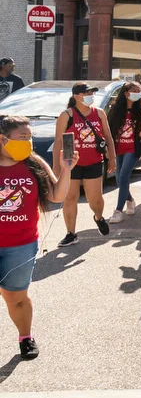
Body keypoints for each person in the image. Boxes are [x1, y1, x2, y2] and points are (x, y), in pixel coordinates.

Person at [0, 115, 75, 360]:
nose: (29, 143)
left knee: (17, 298)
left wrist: (66, 170)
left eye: (30, 137)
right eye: (23, 138)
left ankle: (25, 337)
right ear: (3, 139)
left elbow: (56, 196)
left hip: (21, 246)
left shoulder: (34, 164)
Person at [53, 83, 114, 246]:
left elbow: (108, 136)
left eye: (91, 93)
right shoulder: (67, 115)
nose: (90, 96)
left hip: (93, 161)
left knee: (95, 200)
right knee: (70, 198)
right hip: (71, 162)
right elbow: (59, 141)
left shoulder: (99, 113)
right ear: (76, 96)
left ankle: (98, 217)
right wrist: (56, 166)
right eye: (86, 93)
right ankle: (71, 233)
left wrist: (112, 158)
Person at [105, 82, 141, 224]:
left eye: (138, 91)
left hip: (132, 148)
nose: (136, 93)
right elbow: (109, 130)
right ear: (126, 93)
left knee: (123, 176)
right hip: (118, 148)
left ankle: (118, 211)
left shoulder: (140, 110)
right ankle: (129, 199)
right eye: (133, 90)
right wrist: (108, 150)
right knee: (119, 179)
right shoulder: (116, 111)